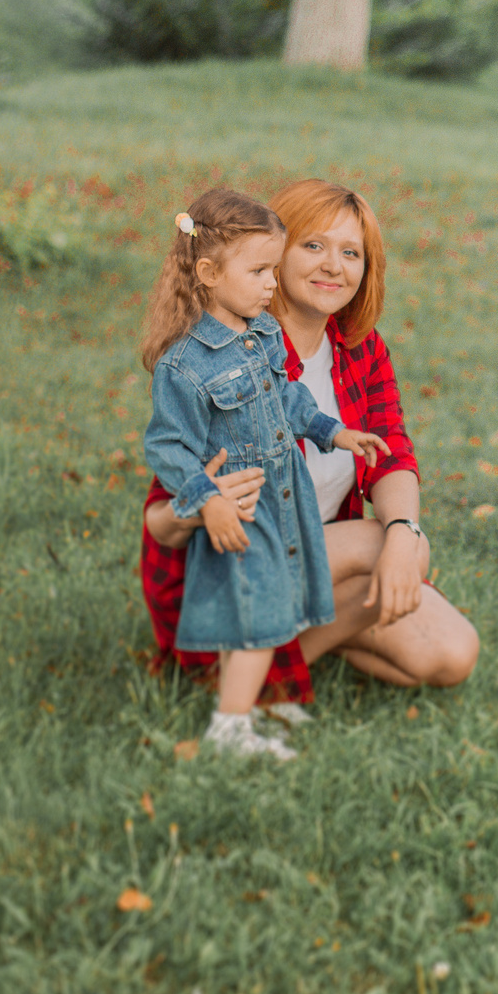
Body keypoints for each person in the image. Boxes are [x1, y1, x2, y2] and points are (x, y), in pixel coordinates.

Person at [140, 178, 478, 711]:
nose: (333, 266)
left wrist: (403, 536)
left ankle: (291, 650)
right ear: (271, 255)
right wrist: (207, 504)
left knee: (450, 652)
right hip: (232, 575)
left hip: (313, 559)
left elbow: (390, 448)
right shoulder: (229, 355)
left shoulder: (358, 348)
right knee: (382, 546)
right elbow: (161, 520)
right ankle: (254, 687)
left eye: (351, 253)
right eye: (313, 246)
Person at [140, 186, 388, 761]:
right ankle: (230, 728)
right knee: (253, 613)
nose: (271, 285)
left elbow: (288, 397)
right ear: (207, 272)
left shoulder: (264, 335)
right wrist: (208, 500)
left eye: (274, 270)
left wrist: (332, 431)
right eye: (259, 272)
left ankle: (253, 706)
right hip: (241, 507)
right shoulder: (183, 365)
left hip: (284, 500)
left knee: (274, 606)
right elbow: (168, 448)